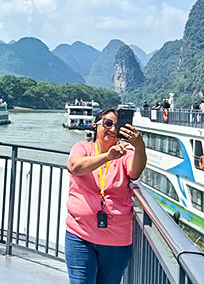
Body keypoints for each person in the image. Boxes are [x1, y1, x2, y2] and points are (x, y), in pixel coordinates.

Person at [65, 107, 146, 284]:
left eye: (117, 125)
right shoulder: (83, 148)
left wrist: (139, 146)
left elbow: (135, 172)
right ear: (96, 126)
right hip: (80, 234)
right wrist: (107, 157)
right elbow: (75, 167)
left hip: (116, 239)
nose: (112, 128)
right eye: (107, 123)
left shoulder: (126, 153)